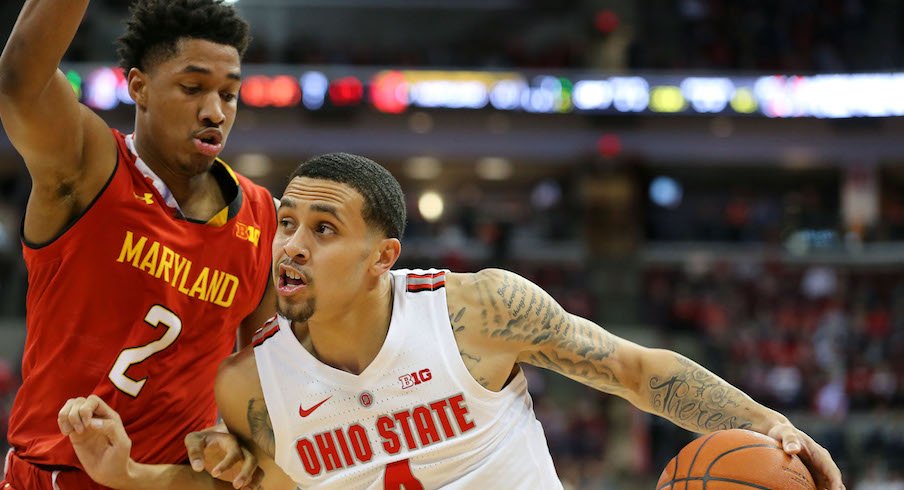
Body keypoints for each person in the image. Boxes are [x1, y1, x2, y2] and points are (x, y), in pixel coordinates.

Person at [60, 153, 845, 489]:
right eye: (287, 224)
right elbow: (248, 487)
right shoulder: (245, 385)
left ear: (382, 256)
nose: (291, 246)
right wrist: (129, 474)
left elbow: (636, 370)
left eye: (323, 230)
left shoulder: (474, 312)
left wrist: (766, 419)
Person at [0, 0, 280, 488]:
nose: (215, 111)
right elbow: (20, 82)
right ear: (138, 87)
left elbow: (264, 387)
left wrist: (237, 440)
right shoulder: (89, 168)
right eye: (192, 88)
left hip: (165, 480)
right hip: (52, 475)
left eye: (230, 94)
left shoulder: (263, 218)